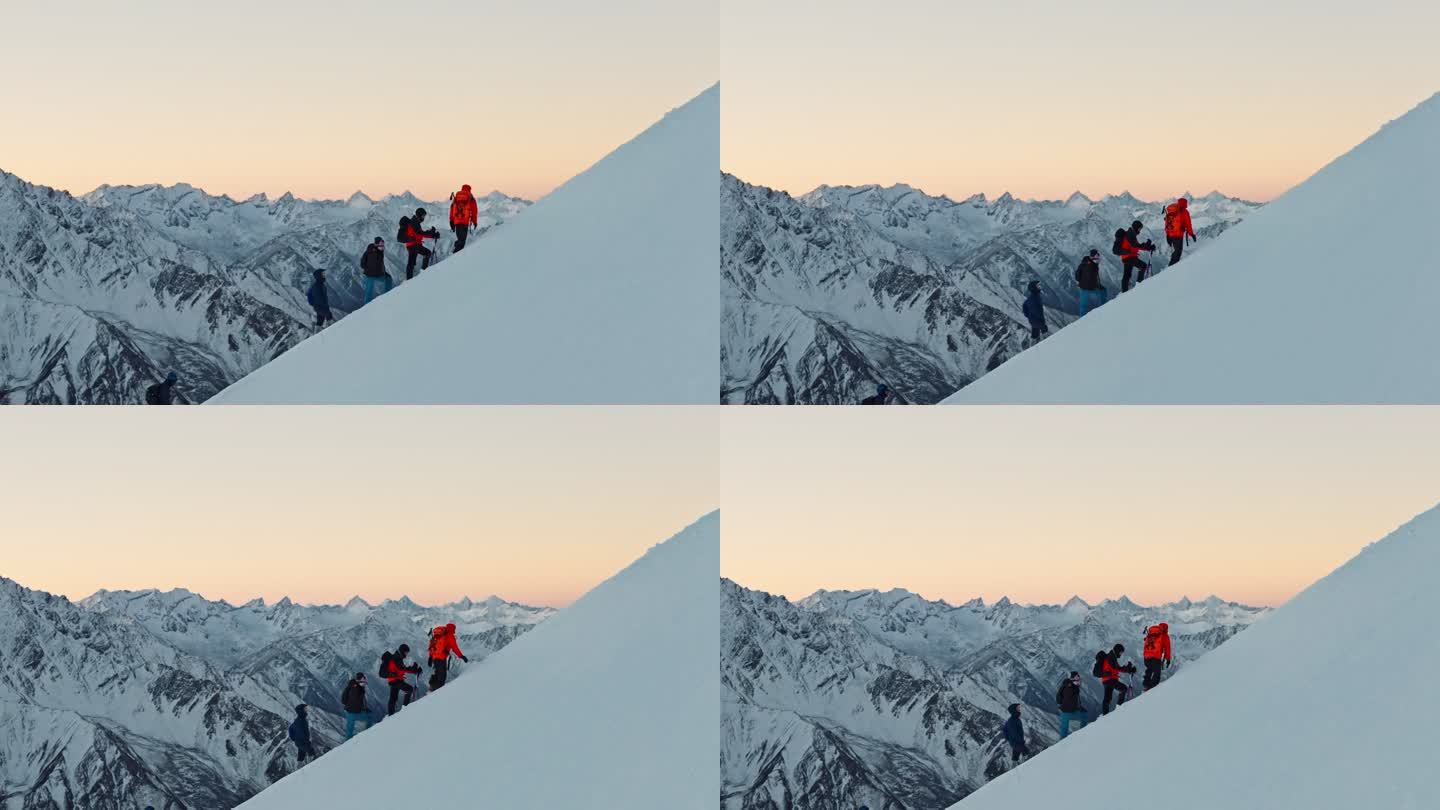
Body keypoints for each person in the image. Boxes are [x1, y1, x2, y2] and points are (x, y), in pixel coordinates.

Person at [1113, 220, 1156, 292]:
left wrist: (1148, 247)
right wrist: (1148, 246)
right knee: (1143, 266)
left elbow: (1135, 246)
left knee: (1127, 275)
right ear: (1136, 227)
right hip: (1129, 257)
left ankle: (1124, 291)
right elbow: (1136, 246)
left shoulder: (1131, 234)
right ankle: (1139, 285)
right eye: (1139, 229)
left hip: (1127, 257)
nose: (1140, 230)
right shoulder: (1130, 235)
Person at [1093, 644, 1136, 715]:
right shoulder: (1111, 657)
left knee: (1117, 692)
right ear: (1117, 651)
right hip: (1109, 680)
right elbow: (1116, 668)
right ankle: (1108, 713)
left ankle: (1115, 709)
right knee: (1109, 697)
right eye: (1121, 652)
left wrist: (1129, 669)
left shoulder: (1112, 657)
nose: (1121, 654)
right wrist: (1128, 668)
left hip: (1110, 680)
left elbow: (1117, 668)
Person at [427, 623, 470, 691]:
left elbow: (432, 645)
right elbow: (455, 648)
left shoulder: (438, 634)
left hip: (434, 658)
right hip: (441, 659)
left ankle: (432, 686)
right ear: (453, 629)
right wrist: (461, 656)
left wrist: (430, 657)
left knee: (438, 673)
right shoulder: (450, 636)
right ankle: (436, 691)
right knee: (442, 676)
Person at [381, 645, 423, 715]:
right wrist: (414, 669)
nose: (406, 654)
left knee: (393, 697)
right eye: (406, 652)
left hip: (393, 680)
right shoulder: (397, 658)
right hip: (395, 680)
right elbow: (402, 669)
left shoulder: (397, 657)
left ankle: (390, 714)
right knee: (409, 689)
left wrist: (413, 670)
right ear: (403, 651)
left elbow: (401, 669)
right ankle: (405, 708)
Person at [400, 208, 440, 280]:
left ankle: (411, 278)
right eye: (423, 216)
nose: (423, 217)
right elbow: (420, 233)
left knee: (412, 262)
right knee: (426, 254)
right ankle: (422, 273)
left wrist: (431, 233)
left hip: (413, 244)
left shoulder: (415, 221)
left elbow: (419, 233)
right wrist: (432, 234)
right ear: (419, 215)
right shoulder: (414, 222)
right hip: (413, 245)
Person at [1163, 197, 1197, 266]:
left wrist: (1167, 235)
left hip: (1170, 234)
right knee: (1178, 252)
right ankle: (1172, 268)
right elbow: (1188, 225)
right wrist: (1192, 234)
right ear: (1185, 204)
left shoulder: (1171, 210)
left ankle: (1172, 266)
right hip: (1178, 235)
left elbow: (1167, 223)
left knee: (1176, 251)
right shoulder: (1185, 212)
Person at [1074, 249, 1108, 315]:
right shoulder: (1091, 265)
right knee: (1103, 291)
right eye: (1097, 257)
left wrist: (1079, 281)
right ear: (1093, 257)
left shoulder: (1084, 263)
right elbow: (1092, 278)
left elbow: (1077, 274)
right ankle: (1104, 307)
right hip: (1088, 287)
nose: (1098, 259)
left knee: (1083, 305)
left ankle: (1082, 319)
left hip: (1083, 287)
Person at [340, 672, 373, 739]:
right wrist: (363, 709)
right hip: (353, 711)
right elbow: (355, 701)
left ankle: (348, 742)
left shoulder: (353, 686)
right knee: (370, 716)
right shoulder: (356, 688)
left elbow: (356, 701)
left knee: (350, 728)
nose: (364, 684)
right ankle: (368, 733)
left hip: (349, 710)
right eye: (364, 681)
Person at [360, 237, 392, 304]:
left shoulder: (380, 252)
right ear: (376, 244)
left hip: (379, 274)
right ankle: (366, 307)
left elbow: (380, 265)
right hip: (370, 275)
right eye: (381, 245)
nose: (382, 247)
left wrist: (383, 272)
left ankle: (388, 296)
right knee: (369, 291)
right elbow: (362, 263)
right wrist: (368, 269)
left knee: (388, 278)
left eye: (383, 245)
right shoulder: (370, 252)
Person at [1055, 671, 1088, 738]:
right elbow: (1069, 700)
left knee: (1064, 727)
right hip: (1068, 710)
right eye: (1077, 677)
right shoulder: (1070, 687)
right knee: (1084, 715)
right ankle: (1082, 733)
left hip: (1065, 709)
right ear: (1073, 678)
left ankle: (1062, 742)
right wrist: (1077, 708)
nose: (1078, 680)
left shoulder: (1068, 685)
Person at [1142, 622, 1173, 690]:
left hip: (1146, 657)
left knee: (1149, 670)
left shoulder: (1151, 633)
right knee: (1156, 674)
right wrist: (1168, 660)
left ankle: (1146, 685)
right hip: (1155, 657)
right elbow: (1167, 649)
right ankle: (1152, 690)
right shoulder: (1164, 635)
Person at [449, 184, 480, 252]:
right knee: (462, 241)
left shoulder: (457, 196)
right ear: (469, 189)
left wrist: (451, 221)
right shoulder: (470, 197)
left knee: (460, 239)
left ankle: (455, 253)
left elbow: (452, 209)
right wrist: (475, 222)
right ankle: (455, 256)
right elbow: (474, 211)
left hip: (457, 221)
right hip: (465, 221)